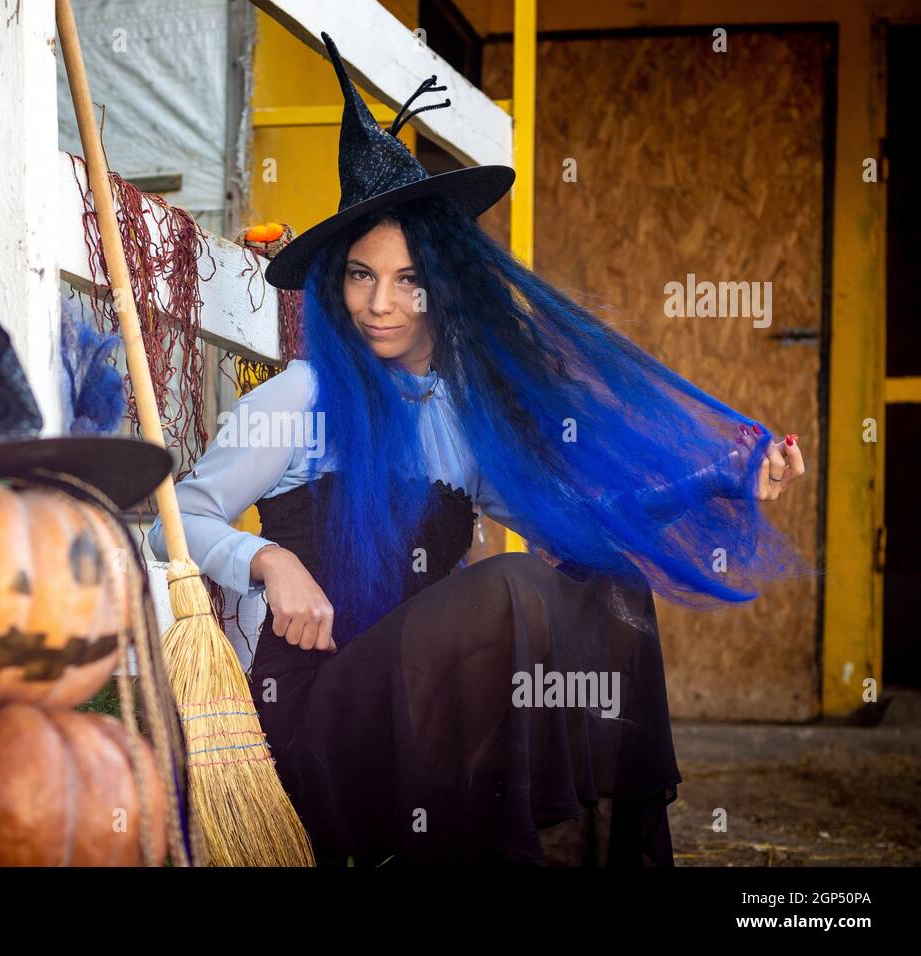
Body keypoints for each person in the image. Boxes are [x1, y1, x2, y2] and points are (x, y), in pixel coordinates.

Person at [149, 32, 806, 867]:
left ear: (443, 286)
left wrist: (717, 480)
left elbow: (577, 520)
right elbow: (174, 521)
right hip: (318, 722)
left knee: (616, 589)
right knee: (511, 587)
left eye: (408, 278)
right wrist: (269, 562)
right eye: (359, 275)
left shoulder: (465, 419)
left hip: (428, 721)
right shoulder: (301, 397)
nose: (379, 304)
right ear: (333, 283)